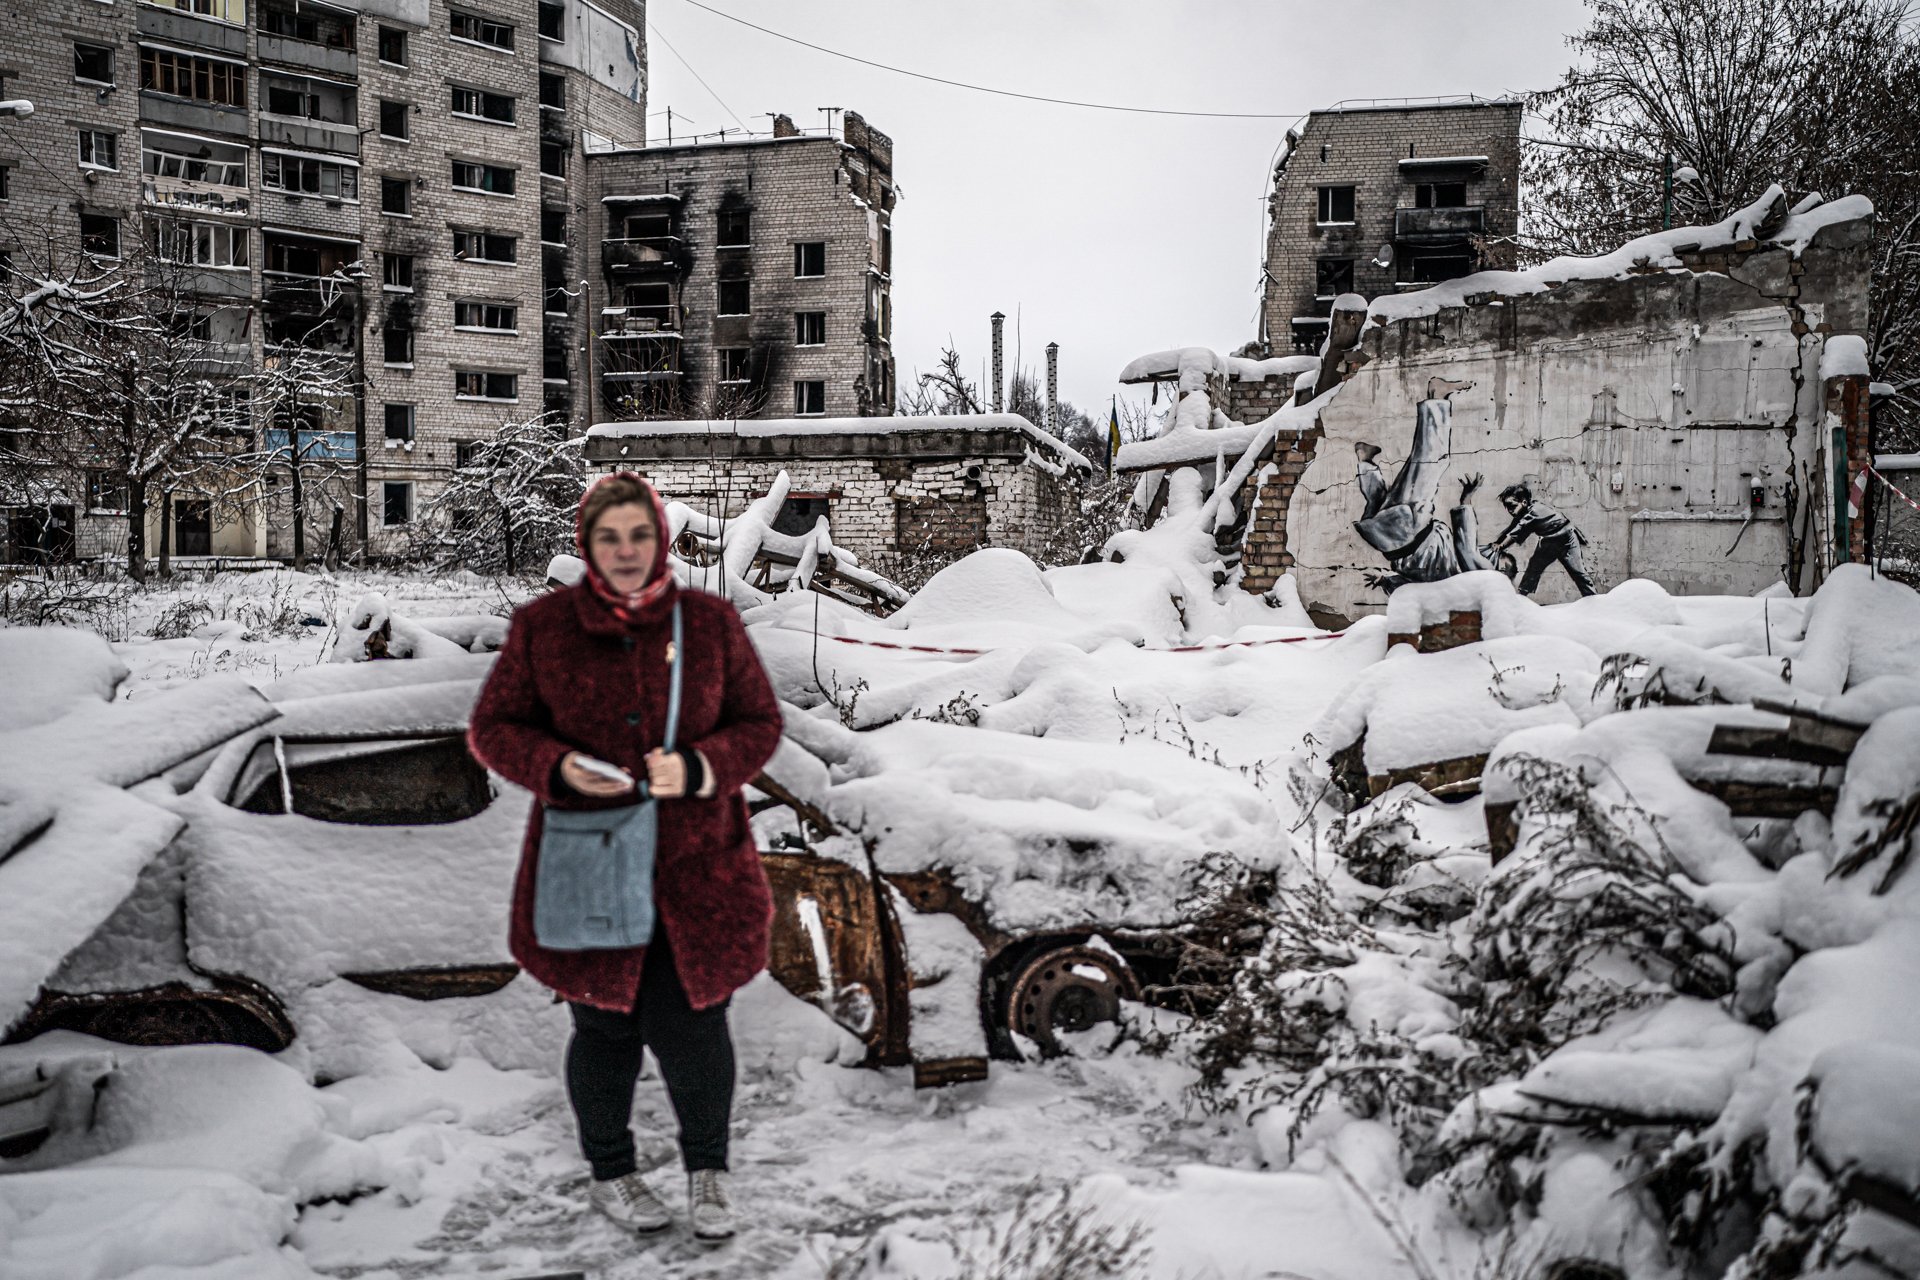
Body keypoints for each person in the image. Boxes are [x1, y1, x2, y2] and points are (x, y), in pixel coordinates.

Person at [468, 472, 782, 1243]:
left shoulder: (710, 624)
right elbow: (495, 728)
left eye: (640, 535)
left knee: (698, 1030)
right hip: (592, 862)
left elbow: (760, 724)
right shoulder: (544, 628)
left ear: (662, 540)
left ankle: (708, 1173)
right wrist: (557, 768)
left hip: (697, 871)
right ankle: (612, 1173)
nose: (626, 551)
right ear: (588, 544)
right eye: (609, 537)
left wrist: (702, 768)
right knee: (603, 1032)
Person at [1491, 482, 1598, 597]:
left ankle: (1593, 599)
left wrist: (1501, 546)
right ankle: (1522, 598)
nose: (1509, 510)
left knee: (1578, 572)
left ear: (1524, 502)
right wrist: (1498, 542)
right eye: (1507, 507)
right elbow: (1512, 528)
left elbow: (1515, 533)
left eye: (1512, 506)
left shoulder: (1533, 512)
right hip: (1549, 541)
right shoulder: (1526, 512)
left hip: (1566, 539)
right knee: (1533, 569)